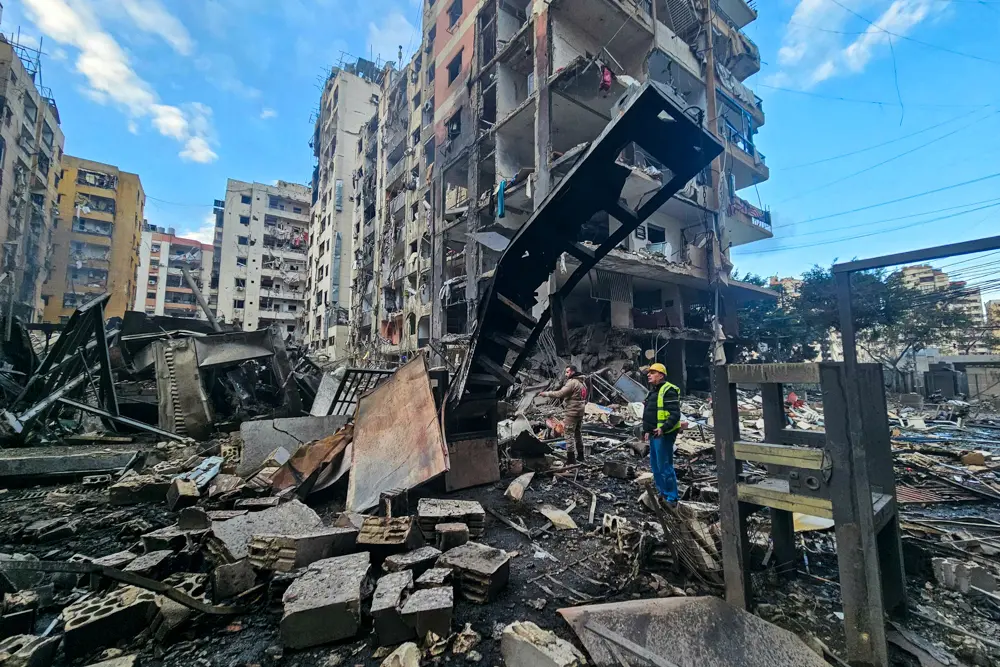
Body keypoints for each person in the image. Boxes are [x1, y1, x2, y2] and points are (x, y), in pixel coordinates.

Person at [642, 363, 680, 504]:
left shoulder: (668, 390)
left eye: (653, 372)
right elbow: (650, 413)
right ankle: (662, 493)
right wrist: (646, 430)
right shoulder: (653, 391)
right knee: (656, 466)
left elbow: (675, 414)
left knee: (664, 466)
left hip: (664, 434)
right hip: (653, 434)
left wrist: (663, 428)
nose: (649, 374)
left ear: (661, 375)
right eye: (649, 372)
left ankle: (671, 497)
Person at [540, 365, 587, 463]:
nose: (566, 375)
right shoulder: (582, 383)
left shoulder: (572, 382)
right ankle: (581, 455)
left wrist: (546, 394)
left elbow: (560, 393)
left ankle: (571, 459)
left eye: (567, 372)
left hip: (572, 412)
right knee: (578, 433)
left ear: (573, 372)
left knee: (568, 434)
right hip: (580, 412)